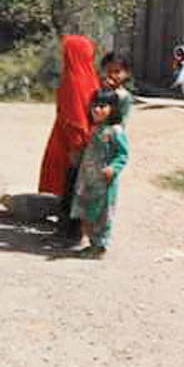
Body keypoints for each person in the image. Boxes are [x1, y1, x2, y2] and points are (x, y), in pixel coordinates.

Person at [38, 35, 100, 241]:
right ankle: (73, 229)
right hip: (83, 140)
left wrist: (76, 145)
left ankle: (69, 233)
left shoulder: (74, 79)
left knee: (71, 186)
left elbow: (75, 116)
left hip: (75, 142)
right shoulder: (89, 75)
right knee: (76, 186)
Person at [70, 88, 130, 258]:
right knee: (88, 211)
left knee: (102, 214)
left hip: (104, 181)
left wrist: (114, 168)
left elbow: (122, 154)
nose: (97, 110)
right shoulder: (96, 128)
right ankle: (92, 244)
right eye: (94, 106)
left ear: (113, 108)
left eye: (102, 106)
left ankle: (100, 247)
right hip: (89, 179)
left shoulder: (115, 131)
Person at [100, 51, 134, 126]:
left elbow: (120, 120)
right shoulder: (99, 91)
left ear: (127, 73)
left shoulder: (125, 96)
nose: (112, 75)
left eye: (117, 71)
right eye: (109, 71)